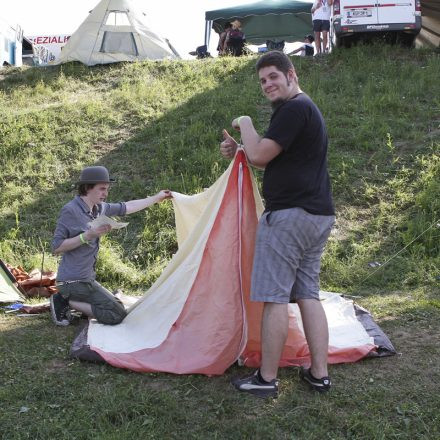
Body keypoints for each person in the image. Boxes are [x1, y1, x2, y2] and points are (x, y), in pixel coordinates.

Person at [220, 51, 335, 398]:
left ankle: (266, 379)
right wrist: (241, 147)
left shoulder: (293, 108)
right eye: (263, 81)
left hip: (289, 218)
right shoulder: (303, 109)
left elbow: (259, 156)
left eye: (273, 77)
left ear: (291, 74)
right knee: (307, 295)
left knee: (273, 298)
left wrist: (245, 123)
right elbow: (264, 156)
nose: (268, 84)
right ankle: (319, 374)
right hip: (317, 215)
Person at [50, 165, 172, 327]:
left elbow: (128, 207)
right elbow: (56, 247)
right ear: (87, 188)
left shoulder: (100, 208)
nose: (105, 194)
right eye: (101, 189)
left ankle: (74, 301)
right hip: (71, 281)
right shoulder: (70, 210)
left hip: (87, 279)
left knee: (116, 306)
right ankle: (64, 301)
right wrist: (87, 236)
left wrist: (156, 198)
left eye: (107, 189)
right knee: (117, 314)